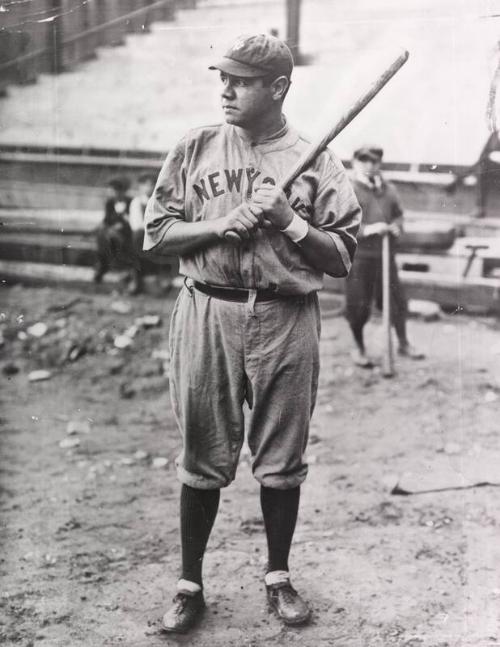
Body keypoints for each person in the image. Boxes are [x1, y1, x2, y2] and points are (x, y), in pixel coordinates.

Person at [143, 33, 361, 634]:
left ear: (279, 88)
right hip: (207, 312)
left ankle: (278, 576)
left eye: (240, 80)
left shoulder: (316, 158)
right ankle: (189, 584)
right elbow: (156, 235)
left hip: (285, 316)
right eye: (224, 77)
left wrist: (289, 221)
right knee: (202, 454)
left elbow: (341, 257)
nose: (226, 89)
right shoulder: (196, 147)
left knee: (281, 457)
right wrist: (218, 225)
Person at [345, 146, 424, 367]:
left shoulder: (388, 189)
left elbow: (398, 216)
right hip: (360, 257)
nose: (369, 166)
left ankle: (403, 343)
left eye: (374, 161)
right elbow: (342, 224)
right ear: (355, 162)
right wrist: (369, 229)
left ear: (380, 164)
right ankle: (359, 346)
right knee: (358, 304)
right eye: (364, 161)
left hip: (385, 256)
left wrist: (397, 227)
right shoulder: (348, 189)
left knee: (396, 301)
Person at [94, 176, 137, 288]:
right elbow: (107, 220)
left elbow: (133, 220)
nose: (115, 193)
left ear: (123, 191)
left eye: (118, 190)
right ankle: (104, 265)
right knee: (103, 236)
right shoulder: (110, 203)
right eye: (113, 190)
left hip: (127, 234)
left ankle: (104, 267)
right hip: (111, 234)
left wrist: (121, 224)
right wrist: (108, 226)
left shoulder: (131, 202)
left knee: (109, 238)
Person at [127, 173, 157, 294]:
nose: (149, 187)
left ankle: (151, 280)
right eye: (146, 185)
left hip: (154, 235)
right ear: (140, 186)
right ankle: (136, 280)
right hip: (140, 236)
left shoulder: (158, 202)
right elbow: (136, 224)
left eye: (152, 184)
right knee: (138, 238)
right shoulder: (136, 202)